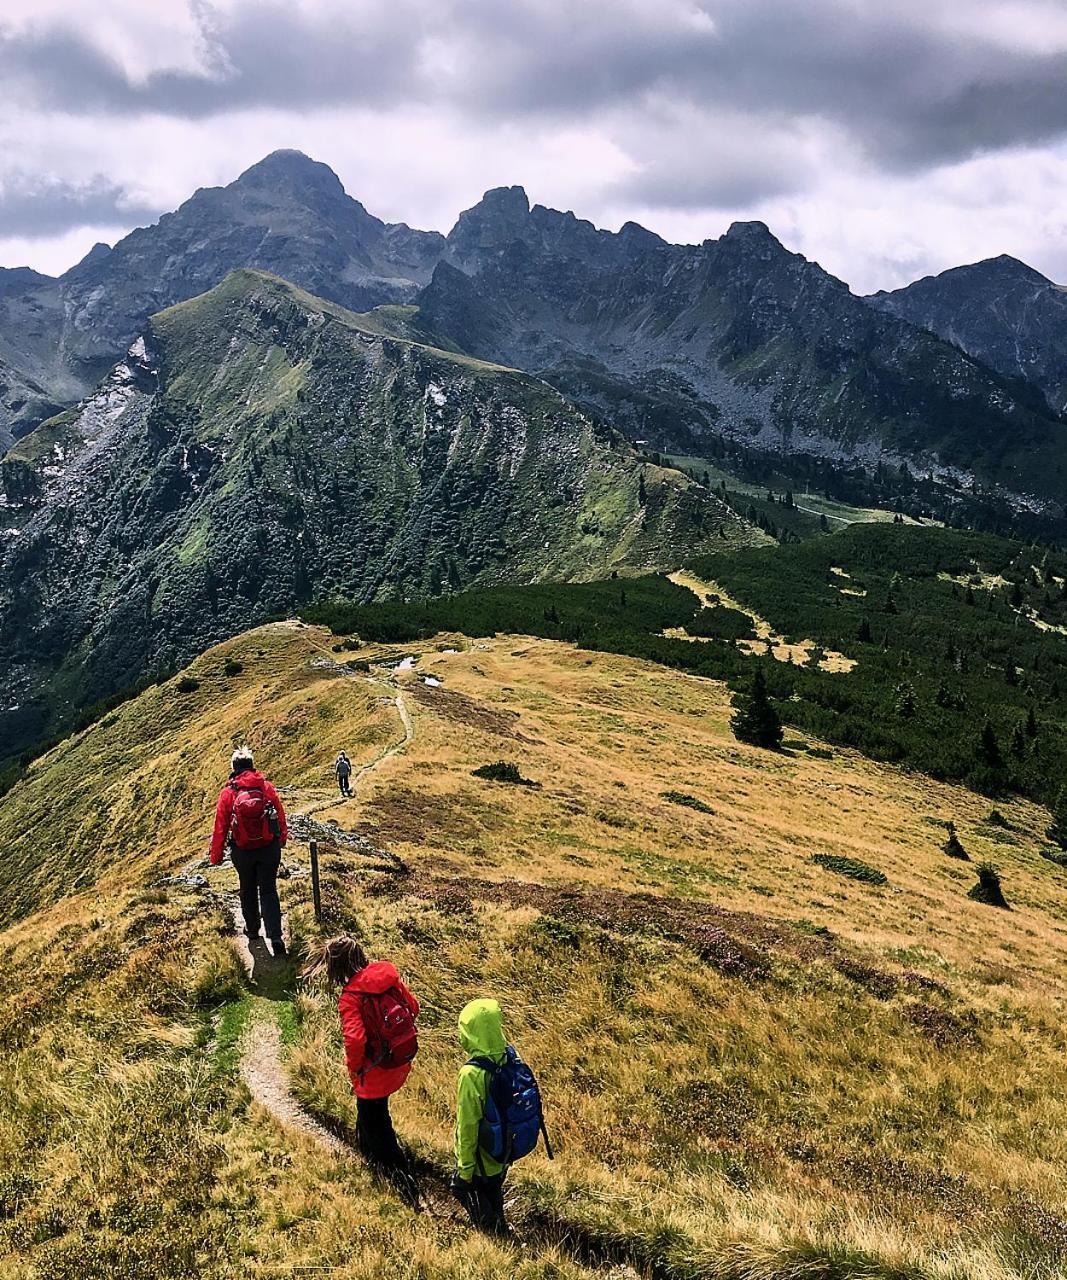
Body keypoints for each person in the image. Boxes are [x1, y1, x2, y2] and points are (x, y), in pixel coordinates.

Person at [302, 937, 421, 1201]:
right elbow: (413, 1008)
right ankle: (369, 1152)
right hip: (398, 1062)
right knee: (373, 1115)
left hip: (373, 1073)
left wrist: (354, 1070)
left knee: (376, 1121)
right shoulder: (387, 976)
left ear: (337, 967)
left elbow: (355, 1040)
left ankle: (397, 1174)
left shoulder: (351, 997)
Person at [210, 747, 288, 957]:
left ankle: (253, 930)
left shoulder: (228, 793)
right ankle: (276, 936)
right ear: (252, 765)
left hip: (242, 851)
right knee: (269, 890)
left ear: (234, 768)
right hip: (268, 848)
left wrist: (216, 856)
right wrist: (281, 839)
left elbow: (221, 826)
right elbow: (280, 814)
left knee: (248, 889)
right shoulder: (266, 787)